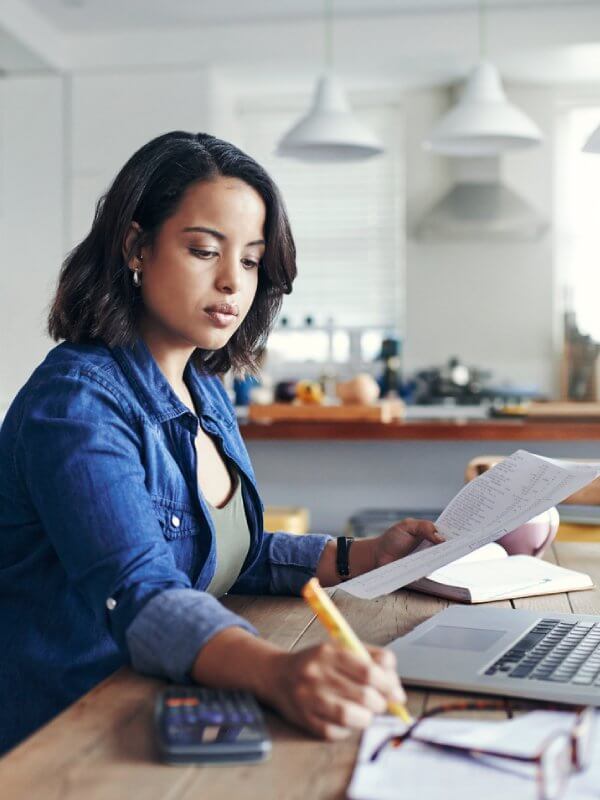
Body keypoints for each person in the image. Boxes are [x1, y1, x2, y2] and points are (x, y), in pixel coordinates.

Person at [0, 131, 442, 754]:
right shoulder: (76, 406)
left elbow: (224, 551)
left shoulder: (204, 390)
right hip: (68, 733)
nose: (234, 283)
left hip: (158, 702)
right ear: (136, 246)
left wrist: (363, 556)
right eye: (205, 250)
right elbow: (142, 591)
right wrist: (278, 671)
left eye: (252, 260)